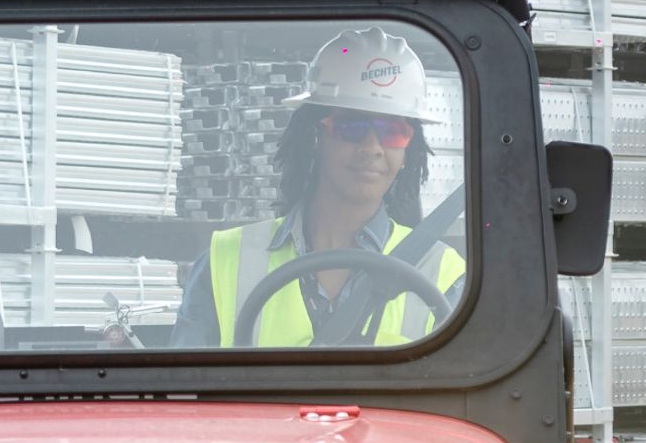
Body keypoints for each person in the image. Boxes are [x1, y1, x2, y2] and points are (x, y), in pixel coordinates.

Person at [172, 29, 465, 349]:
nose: (372, 147)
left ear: (409, 151)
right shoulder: (224, 261)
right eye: (352, 126)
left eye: (393, 131)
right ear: (315, 136)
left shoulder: (444, 274)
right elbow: (187, 388)